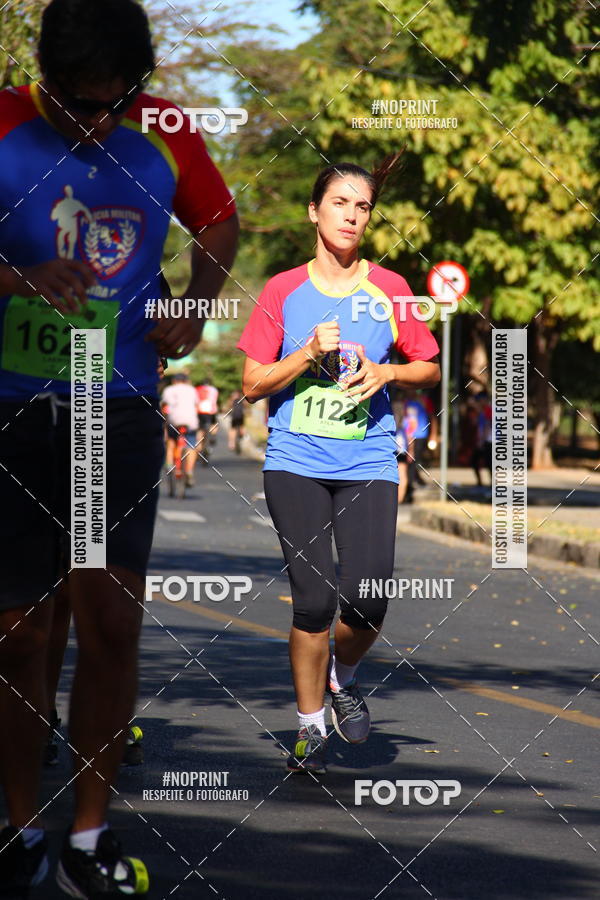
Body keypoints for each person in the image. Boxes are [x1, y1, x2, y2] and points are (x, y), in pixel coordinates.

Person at [0, 0, 238, 895]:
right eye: (78, 104)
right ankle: (19, 826)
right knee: (20, 637)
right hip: (14, 410)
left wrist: (195, 299)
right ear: (43, 75)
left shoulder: (166, 128)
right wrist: (17, 278)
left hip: (113, 410)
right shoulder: (2, 120)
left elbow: (219, 224)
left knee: (107, 622)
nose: (100, 122)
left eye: (116, 102)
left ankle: (88, 839)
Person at [238, 159, 440, 774]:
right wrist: (305, 352)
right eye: (340, 203)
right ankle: (307, 728)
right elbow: (251, 385)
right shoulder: (282, 290)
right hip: (295, 459)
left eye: (363, 208)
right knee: (314, 600)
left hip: (371, 460)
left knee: (369, 599)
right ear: (314, 212)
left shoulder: (392, 288)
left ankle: (341, 679)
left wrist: (388, 372)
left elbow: (428, 365)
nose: (352, 216)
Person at [161, 372, 200, 487]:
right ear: (186, 380)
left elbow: (163, 406)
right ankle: (189, 471)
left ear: (174, 381)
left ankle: (169, 464)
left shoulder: (169, 390)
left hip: (174, 421)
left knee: (171, 442)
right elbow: (196, 405)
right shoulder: (192, 390)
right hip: (190, 421)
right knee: (191, 445)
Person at [196, 377, 220, 462]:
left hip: (200, 412)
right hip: (211, 411)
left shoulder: (197, 389)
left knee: (200, 430)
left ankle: (199, 448)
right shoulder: (214, 390)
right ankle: (212, 436)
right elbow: (215, 400)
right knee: (214, 424)